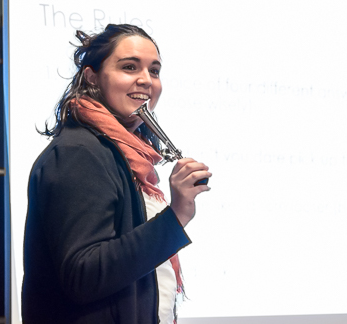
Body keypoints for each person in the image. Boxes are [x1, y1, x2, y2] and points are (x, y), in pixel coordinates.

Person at [22, 24, 211, 324]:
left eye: (155, 70)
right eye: (129, 67)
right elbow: (83, 275)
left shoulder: (123, 154)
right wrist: (174, 217)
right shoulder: (79, 153)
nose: (146, 80)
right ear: (92, 77)